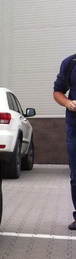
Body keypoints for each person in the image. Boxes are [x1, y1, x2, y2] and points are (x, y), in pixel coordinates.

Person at [53, 53, 76, 230]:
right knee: (75, 175)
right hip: (74, 126)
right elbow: (58, 91)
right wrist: (68, 102)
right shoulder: (71, 62)